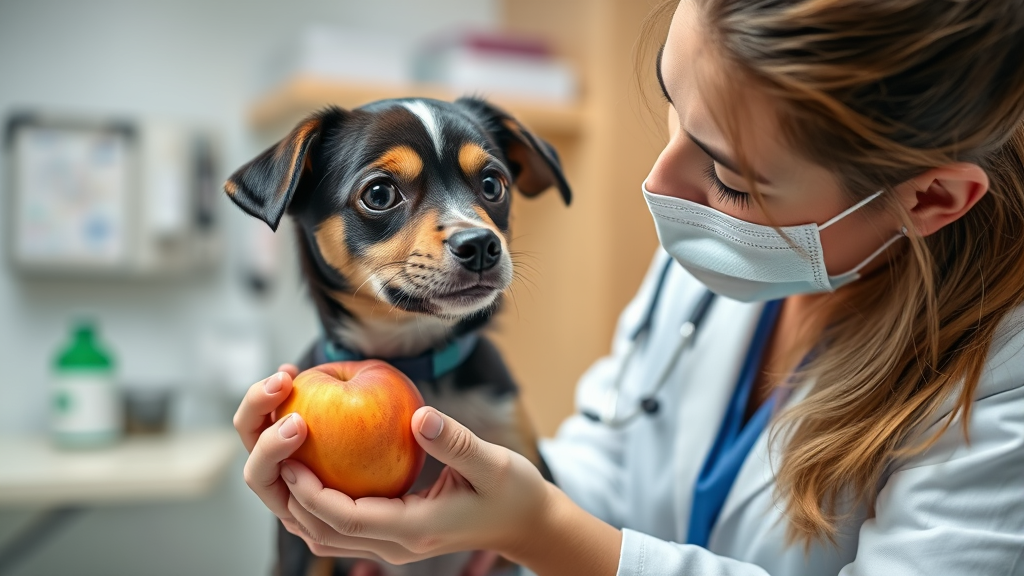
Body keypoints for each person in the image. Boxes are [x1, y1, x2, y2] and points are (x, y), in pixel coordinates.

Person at [233, 0, 1024, 574]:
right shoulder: (718, 254)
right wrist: (465, 509)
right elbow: (607, 461)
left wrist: (542, 531)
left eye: (730, 174)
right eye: (672, 105)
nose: (659, 184)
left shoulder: (1002, 380)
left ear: (930, 199)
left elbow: (566, 526)